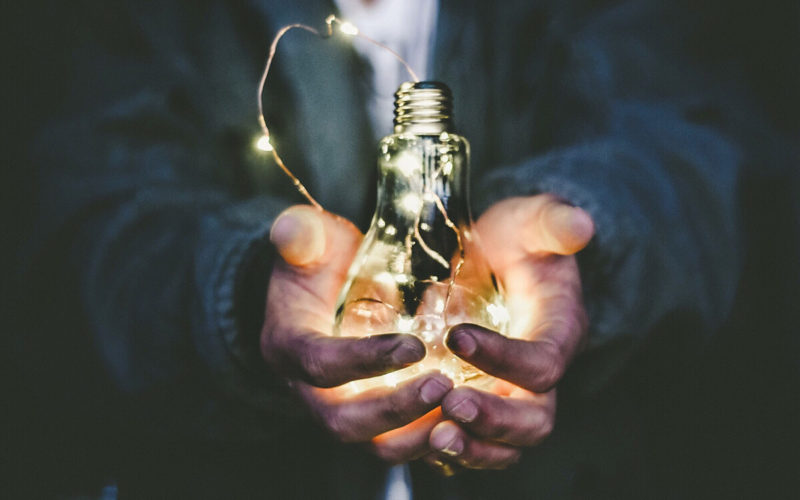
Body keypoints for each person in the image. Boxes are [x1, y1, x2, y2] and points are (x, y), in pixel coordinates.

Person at [10, 0, 776, 498]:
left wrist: (586, 236)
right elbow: (80, 213)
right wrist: (243, 296)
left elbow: (691, 146)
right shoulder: (154, 23)